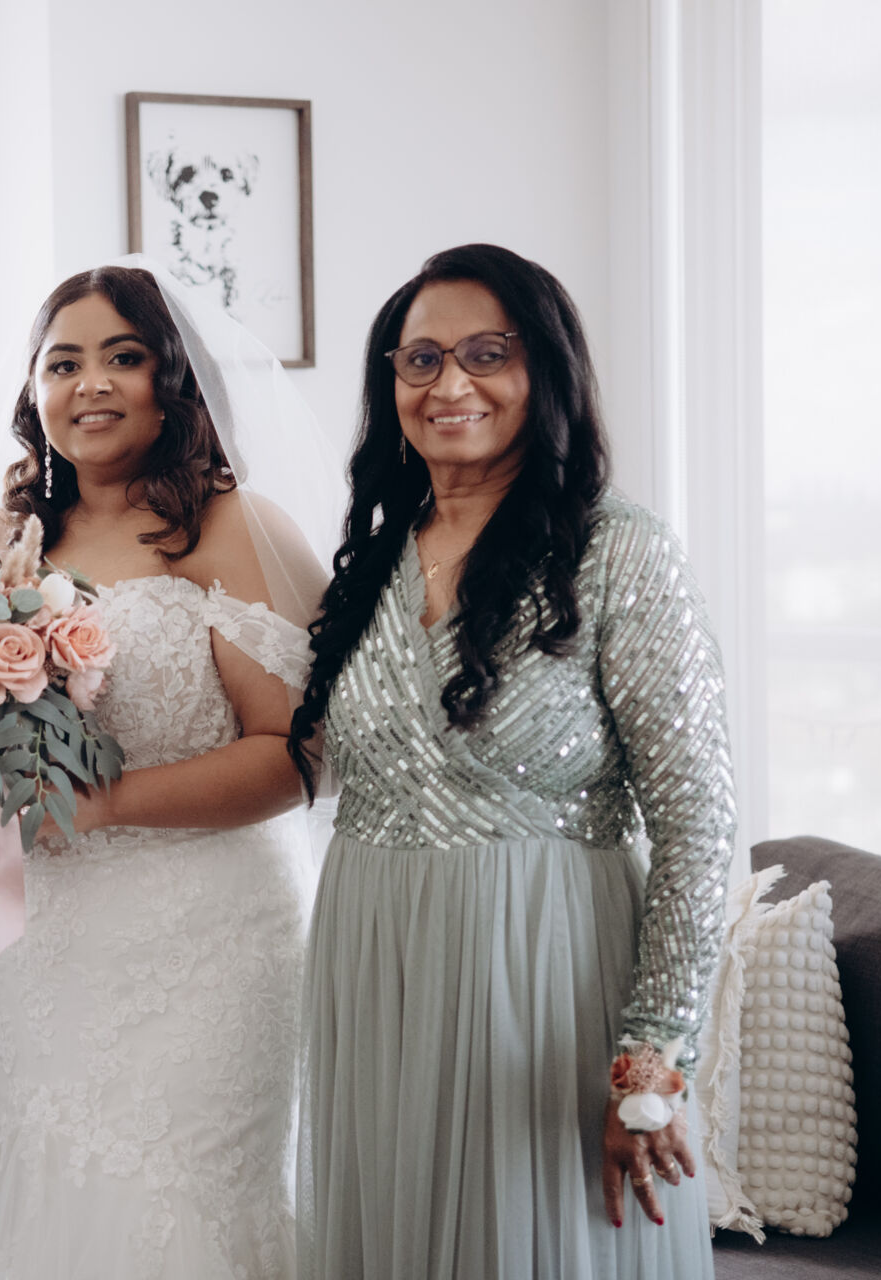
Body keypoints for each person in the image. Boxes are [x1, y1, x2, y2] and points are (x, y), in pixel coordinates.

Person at [0, 261, 340, 1278]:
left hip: (208, 938)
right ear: (34, 390)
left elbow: (297, 753)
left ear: (170, 380)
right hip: (38, 942)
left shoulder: (229, 523)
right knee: (37, 1178)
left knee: (186, 1200)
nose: (89, 384)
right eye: (63, 363)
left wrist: (100, 804)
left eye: (122, 358)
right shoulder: (0, 544)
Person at [289, 243, 733, 1279]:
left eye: (488, 354)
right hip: (376, 965)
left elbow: (697, 818)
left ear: (547, 370)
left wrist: (652, 1057)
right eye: (422, 360)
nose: (450, 384)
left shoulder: (620, 550)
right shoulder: (373, 561)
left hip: (546, 973)